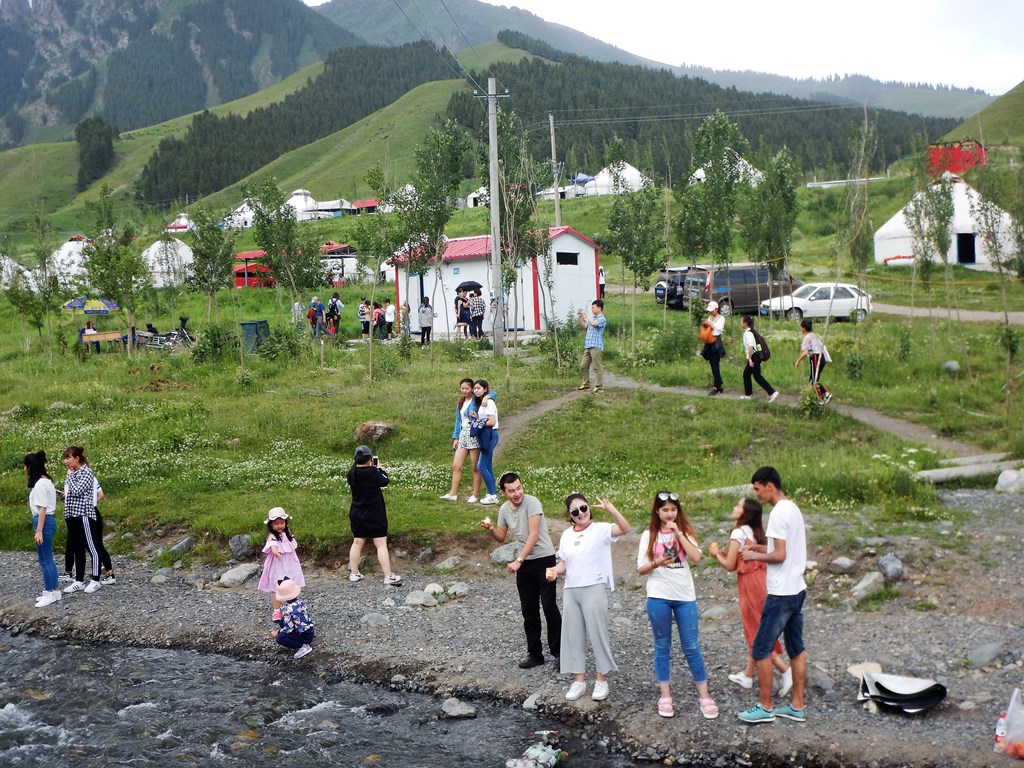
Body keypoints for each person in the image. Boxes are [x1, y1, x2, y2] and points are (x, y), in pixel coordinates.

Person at [636, 491, 719, 720]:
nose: (669, 513)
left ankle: (705, 696)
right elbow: (640, 568)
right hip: (658, 596)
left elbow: (696, 557)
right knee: (662, 646)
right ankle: (665, 696)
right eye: (665, 510)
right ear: (657, 511)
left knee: (691, 646)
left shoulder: (685, 532)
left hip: (685, 597)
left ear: (677, 511)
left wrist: (679, 534)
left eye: (673, 509)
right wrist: (656, 562)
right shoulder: (648, 535)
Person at [736, 466, 808, 724]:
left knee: (762, 648)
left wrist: (754, 555)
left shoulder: (778, 513)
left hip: (780, 593)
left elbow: (779, 555)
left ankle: (765, 707)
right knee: (797, 648)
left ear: (769, 486)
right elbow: (781, 546)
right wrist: (758, 545)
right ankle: (797, 706)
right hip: (798, 588)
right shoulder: (793, 508)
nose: (756, 494)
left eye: (757, 488)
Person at [547, 493, 631, 703]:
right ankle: (579, 680)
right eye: (575, 512)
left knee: (597, 632)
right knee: (572, 634)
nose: (581, 514)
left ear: (588, 508)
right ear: (570, 515)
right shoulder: (566, 535)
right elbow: (565, 563)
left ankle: (601, 679)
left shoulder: (601, 529)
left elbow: (625, 528)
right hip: (571, 589)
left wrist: (611, 509)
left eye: (583, 508)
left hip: (594, 586)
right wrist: (554, 570)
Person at [710, 497, 792, 697]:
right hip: (764, 580)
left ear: (745, 513)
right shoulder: (757, 533)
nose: (734, 507)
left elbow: (730, 565)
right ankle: (747, 675)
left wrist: (715, 554)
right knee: (758, 625)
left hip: (749, 583)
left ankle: (785, 670)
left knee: (755, 629)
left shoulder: (738, 532)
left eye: (738, 506)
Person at [481, 472, 562, 668]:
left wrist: (518, 560)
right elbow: (501, 536)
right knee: (529, 609)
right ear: (503, 493)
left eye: (519, 488)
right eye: (511, 490)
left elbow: (533, 535)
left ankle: (560, 652)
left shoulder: (532, 503)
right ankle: (535, 654)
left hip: (544, 558)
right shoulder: (504, 509)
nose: (517, 493)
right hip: (525, 562)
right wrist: (491, 528)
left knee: (549, 606)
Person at [347, 445, 402, 586]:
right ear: (369, 459)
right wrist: (379, 468)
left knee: (357, 542)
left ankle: (354, 573)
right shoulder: (373, 472)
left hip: (357, 513)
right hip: (375, 514)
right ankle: (388, 576)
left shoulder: (352, 473)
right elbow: (385, 481)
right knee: (380, 544)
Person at [60, 446, 106, 594]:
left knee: (92, 547)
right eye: (65, 458)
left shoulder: (86, 472)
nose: (66, 461)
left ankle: (95, 579)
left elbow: (78, 490)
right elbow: (71, 493)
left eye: (68, 458)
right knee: (77, 548)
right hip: (71, 514)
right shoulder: (72, 474)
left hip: (84, 514)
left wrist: (70, 477)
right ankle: (78, 580)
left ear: (77, 458)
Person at [257, 507, 306, 621]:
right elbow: (273, 546)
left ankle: (294, 607)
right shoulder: (272, 536)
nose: (279, 526)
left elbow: (291, 545)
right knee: (277, 586)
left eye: (282, 523)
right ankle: (276, 611)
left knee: (292, 583)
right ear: (271, 525)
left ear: (285, 523)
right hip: (278, 564)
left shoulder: (287, 534)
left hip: (290, 562)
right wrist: (275, 551)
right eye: (276, 524)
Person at [25, 451, 60, 608]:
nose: (24, 470)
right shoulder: (47, 481)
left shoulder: (39, 485)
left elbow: (42, 509)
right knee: (48, 557)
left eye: (25, 467)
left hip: (43, 522)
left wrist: (38, 530)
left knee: (44, 559)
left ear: (30, 467)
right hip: (49, 522)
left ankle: (49, 592)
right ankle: (54, 591)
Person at [440, 378, 483, 503]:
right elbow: (458, 421)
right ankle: (453, 494)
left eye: (467, 388)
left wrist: (484, 398)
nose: (464, 390)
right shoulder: (460, 402)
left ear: (472, 389)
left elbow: (491, 393)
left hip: (474, 433)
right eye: (462, 388)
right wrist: (456, 437)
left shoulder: (476, 400)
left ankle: (475, 494)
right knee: (456, 465)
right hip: (463, 433)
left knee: (475, 467)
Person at [469, 379, 499, 505]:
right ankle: (492, 493)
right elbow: (485, 419)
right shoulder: (482, 402)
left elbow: (491, 421)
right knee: (487, 466)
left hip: (490, 434)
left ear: (485, 389)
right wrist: (477, 418)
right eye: (474, 388)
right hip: (486, 434)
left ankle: (493, 495)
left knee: (481, 466)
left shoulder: (489, 402)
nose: (476, 390)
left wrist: (477, 423)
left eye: (478, 388)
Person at [269, 578, 315, 659]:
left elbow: (288, 627)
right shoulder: (299, 603)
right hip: (309, 631)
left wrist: (278, 633)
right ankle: (299, 640)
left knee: (280, 638)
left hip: (304, 636)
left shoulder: (289, 610)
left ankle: (303, 647)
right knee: (283, 621)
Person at [740, 316, 778, 402]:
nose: (740, 323)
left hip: (754, 357)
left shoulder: (748, 333)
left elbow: (750, 346)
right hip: (755, 356)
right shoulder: (752, 332)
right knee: (746, 374)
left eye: (741, 321)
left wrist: (749, 359)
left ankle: (772, 392)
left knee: (757, 376)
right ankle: (748, 394)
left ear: (745, 323)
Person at [795, 319, 831, 405]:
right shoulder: (814, 335)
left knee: (814, 380)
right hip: (821, 357)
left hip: (815, 357)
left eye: (801, 327)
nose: (800, 329)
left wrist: (798, 361)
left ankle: (821, 399)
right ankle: (825, 394)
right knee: (813, 379)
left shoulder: (807, 337)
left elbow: (806, 352)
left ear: (804, 328)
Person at [576, 299, 607, 393]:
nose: (592, 309)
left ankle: (599, 386)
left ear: (599, 308)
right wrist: (580, 316)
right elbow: (584, 326)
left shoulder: (602, 319)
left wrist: (586, 314)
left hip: (596, 346)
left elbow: (593, 324)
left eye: (593, 307)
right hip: (588, 345)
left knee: (596, 366)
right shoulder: (592, 318)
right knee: (583, 365)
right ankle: (586, 384)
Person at [701, 301, 726, 395]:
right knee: (712, 364)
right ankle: (719, 385)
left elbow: (719, 329)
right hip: (709, 342)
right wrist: (705, 324)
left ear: (716, 309)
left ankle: (716, 386)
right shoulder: (709, 318)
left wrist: (710, 324)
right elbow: (708, 329)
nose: (711, 312)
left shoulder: (721, 318)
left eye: (712, 310)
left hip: (716, 343)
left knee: (715, 364)